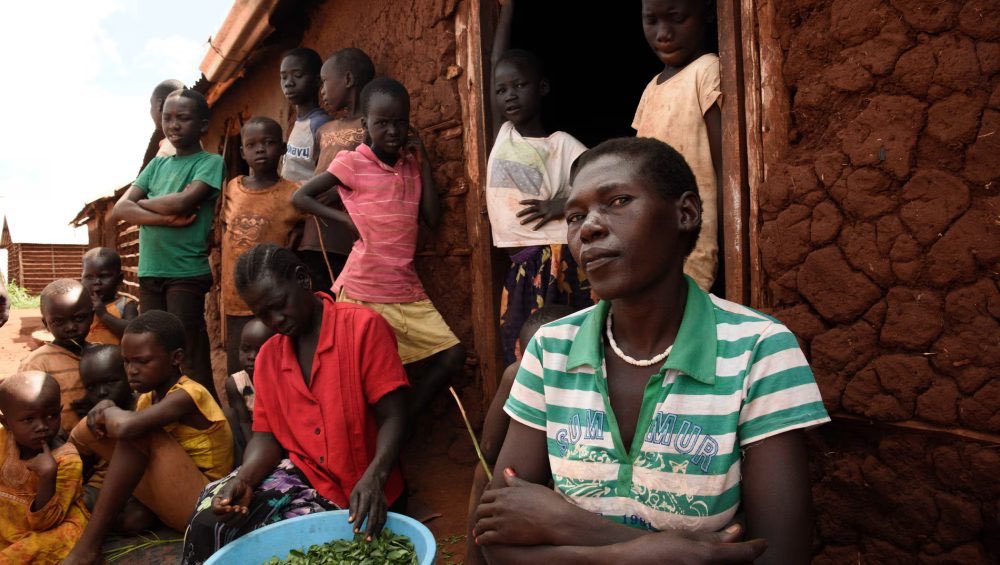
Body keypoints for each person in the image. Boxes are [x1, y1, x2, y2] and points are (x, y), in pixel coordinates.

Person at [473, 138, 829, 565]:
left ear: (686, 213)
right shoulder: (551, 349)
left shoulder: (759, 350)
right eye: (574, 216)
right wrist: (636, 555)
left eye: (618, 200)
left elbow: (780, 556)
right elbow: (496, 542)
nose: (588, 227)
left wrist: (568, 525)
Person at [181, 244, 410, 564]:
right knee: (211, 520)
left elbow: (394, 416)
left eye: (279, 305)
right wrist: (244, 479)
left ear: (302, 279)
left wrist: (374, 477)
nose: (275, 320)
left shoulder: (362, 328)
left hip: (364, 488)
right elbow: (266, 436)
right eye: (262, 314)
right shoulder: (269, 357)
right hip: (302, 478)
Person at [292, 78, 465, 416]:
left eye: (399, 122)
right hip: (362, 291)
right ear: (365, 125)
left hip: (405, 290)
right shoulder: (351, 162)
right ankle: (380, 435)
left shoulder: (411, 167)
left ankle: (403, 426)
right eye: (382, 123)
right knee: (361, 379)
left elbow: (430, 216)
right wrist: (345, 220)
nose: (392, 130)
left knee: (452, 355)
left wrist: (425, 162)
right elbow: (301, 197)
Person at [61, 312, 233, 564]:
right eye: (127, 362)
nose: (132, 371)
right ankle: (55, 497)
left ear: (176, 358)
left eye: (142, 361)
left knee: (136, 433)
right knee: (130, 518)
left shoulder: (188, 395)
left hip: (205, 506)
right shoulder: (146, 399)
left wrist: (108, 407)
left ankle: (88, 547)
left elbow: (128, 429)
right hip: (173, 493)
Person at [488, 0, 593, 365]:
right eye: (502, 90)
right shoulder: (503, 134)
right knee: (523, 355)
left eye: (520, 85)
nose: (509, 95)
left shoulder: (560, 144)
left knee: (562, 352)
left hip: (557, 259)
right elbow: (492, 66)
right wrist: (506, 10)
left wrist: (560, 204)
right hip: (521, 265)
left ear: (542, 87)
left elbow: (601, 184)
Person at [111, 88, 223, 398]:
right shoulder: (157, 165)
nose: (173, 125)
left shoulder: (210, 162)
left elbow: (184, 203)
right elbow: (120, 209)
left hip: (186, 271)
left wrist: (147, 204)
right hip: (151, 271)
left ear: (202, 125)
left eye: (183, 118)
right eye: (167, 118)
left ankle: (207, 415)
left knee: (186, 348)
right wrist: (166, 217)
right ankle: (164, 414)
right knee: (153, 350)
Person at [464, 304, 575, 565]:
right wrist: (513, 377)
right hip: (532, 479)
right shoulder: (519, 374)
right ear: (520, 351)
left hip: (563, 493)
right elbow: (489, 448)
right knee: (485, 473)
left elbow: (488, 448)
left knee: (484, 474)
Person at [633, 0, 723, 293]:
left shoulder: (707, 71)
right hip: (653, 234)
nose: (663, 33)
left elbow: (725, 168)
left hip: (695, 235)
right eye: (651, 20)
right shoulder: (651, 88)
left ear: (707, 14)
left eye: (676, 18)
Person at [220, 116, 302, 375]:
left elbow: (300, 234)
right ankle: (244, 417)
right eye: (252, 144)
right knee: (240, 372)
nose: (260, 149)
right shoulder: (232, 188)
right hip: (235, 299)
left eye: (268, 143)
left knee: (276, 368)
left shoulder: (293, 193)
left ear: (283, 148)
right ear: (242, 152)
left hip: (273, 301)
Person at [303, 47, 378, 287]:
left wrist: (336, 192)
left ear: (347, 79)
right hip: (313, 236)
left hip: (348, 238)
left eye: (325, 81)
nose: (321, 91)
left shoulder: (370, 128)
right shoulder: (323, 130)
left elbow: (375, 176)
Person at [0, 371, 89, 564]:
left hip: (50, 526)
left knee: (35, 547)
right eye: (28, 420)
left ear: (60, 410)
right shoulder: (3, 440)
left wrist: (48, 475)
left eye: (51, 415)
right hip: (8, 520)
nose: (41, 426)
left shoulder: (68, 461)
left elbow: (46, 522)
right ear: (6, 423)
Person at [70, 345, 156, 535]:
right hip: (100, 486)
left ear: (128, 375)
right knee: (75, 505)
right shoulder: (90, 417)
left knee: (135, 520)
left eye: (110, 381)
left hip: (140, 488)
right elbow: (81, 464)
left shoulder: (143, 406)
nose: (101, 392)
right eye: (91, 387)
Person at [278, 47, 337, 290]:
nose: (288, 83)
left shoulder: (320, 124)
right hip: (293, 221)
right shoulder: (298, 123)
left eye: (297, 75)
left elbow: (323, 175)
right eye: (283, 77)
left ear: (315, 81)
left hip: (312, 226)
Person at [18, 279, 93, 434]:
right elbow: (27, 412)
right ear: (46, 324)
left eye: (79, 318)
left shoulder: (105, 355)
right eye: (58, 322)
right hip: (58, 447)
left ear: (92, 316)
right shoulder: (36, 363)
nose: (70, 327)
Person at [222, 318, 274, 464]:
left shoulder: (282, 379)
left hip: (278, 435)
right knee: (228, 415)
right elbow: (244, 422)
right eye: (246, 349)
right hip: (253, 437)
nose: (251, 357)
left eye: (259, 350)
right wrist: (255, 457)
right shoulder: (238, 384)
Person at [81, 247, 138, 346]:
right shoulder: (80, 305)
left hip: (116, 359)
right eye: (89, 277)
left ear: (119, 279)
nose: (96, 282)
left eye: (103, 276)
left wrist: (104, 315)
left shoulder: (125, 305)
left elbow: (133, 333)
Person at [150, 79, 187, 157]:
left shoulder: (168, 149)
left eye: (151, 104)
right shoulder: (194, 144)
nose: (150, 111)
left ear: (159, 104)